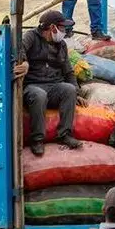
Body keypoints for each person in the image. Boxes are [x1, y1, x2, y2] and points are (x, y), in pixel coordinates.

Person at [14, 10, 84, 157]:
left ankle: (64, 135)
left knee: (69, 89)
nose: (64, 32)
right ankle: (37, 139)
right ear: (52, 28)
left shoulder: (61, 45)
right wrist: (25, 61)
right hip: (32, 86)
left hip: (54, 86)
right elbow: (18, 48)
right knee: (39, 95)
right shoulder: (31, 36)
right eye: (62, 28)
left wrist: (77, 93)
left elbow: (68, 72)